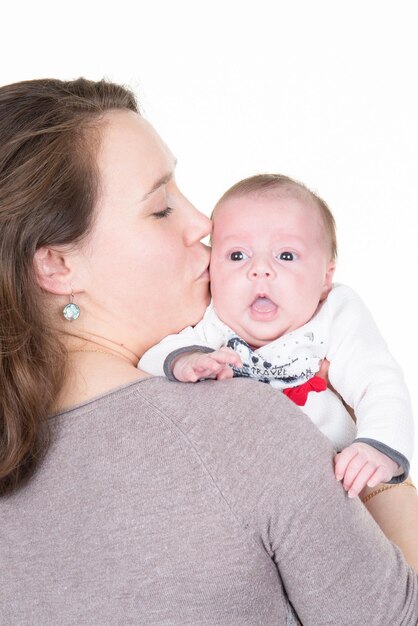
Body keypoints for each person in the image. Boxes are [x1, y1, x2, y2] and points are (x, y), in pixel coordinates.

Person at [0, 78, 417, 625]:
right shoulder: (243, 426)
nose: (203, 224)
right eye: (161, 208)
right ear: (57, 265)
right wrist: (384, 474)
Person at [139, 174, 413, 496]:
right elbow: (154, 357)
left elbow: (377, 381)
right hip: (243, 488)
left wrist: (377, 447)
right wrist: (187, 360)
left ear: (325, 277)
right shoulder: (213, 322)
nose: (260, 270)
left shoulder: (334, 313)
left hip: (332, 480)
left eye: (286, 255)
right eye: (237, 256)